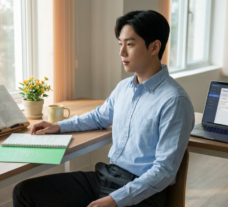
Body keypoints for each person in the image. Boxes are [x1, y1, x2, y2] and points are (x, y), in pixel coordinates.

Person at [13, 10, 194, 207]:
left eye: (130, 44)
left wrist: (115, 200)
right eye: (120, 44)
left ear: (154, 47)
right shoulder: (124, 87)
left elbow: (164, 171)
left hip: (143, 193)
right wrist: (59, 126)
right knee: (24, 192)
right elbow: (99, 117)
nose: (122, 52)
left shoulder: (175, 101)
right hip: (108, 177)